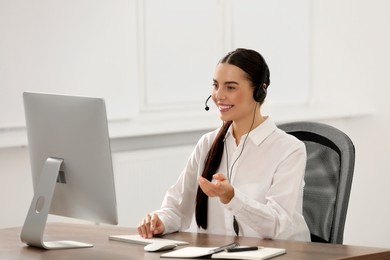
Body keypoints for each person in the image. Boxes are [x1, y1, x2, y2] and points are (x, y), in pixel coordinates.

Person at [137, 48, 310, 241]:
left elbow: (280, 226)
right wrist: (159, 221)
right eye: (215, 85)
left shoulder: (289, 150)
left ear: (260, 91)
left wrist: (232, 198)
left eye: (231, 87)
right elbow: (176, 209)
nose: (218, 95)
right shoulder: (207, 144)